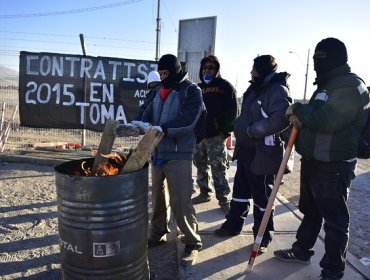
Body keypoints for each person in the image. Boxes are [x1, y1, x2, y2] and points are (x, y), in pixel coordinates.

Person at [274, 38, 369, 280]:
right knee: (311, 211)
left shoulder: (349, 86)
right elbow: (317, 117)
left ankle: (332, 270)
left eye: (321, 58)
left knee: (335, 219)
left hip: (333, 164)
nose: (316, 62)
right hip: (314, 160)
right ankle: (302, 250)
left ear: (336, 58)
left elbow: (328, 119)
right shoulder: (327, 85)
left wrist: (299, 110)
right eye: (315, 57)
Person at [214, 55, 291, 255]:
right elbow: (246, 114)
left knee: (262, 197)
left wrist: (251, 130)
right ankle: (233, 225)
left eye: (254, 69)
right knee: (240, 192)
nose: (251, 72)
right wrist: (239, 128)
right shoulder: (254, 88)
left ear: (262, 69)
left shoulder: (277, 90)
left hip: (264, 154)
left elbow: (281, 120)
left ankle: (263, 235)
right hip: (246, 150)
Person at [139, 54, 203, 266]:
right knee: (157, 197)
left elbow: (189, 119)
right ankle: (158, 232)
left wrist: (164, 129)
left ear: (176, 71)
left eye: (167, 73)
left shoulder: (190, 90)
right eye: (161, 74)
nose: (164, 77)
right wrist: (138, 122)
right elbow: (147, 110)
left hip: (178, 153)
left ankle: (192, 241)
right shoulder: (159, 91)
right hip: (158, 152)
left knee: (181, 200)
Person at [192, 55, 238, 213]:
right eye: (204, 68)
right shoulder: (198, 88)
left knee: (218, 168)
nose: (207, 70)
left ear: (217, 69)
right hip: (199, 137)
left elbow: (233, 111)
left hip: (215, 137)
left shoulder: (225, 86)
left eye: (211, 67)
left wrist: (225, 132)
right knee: (200, 165)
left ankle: (224, 199)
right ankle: (204, 193)